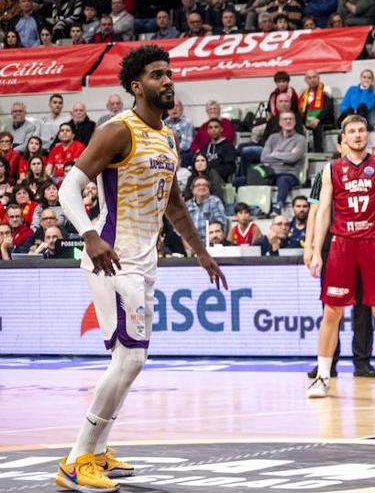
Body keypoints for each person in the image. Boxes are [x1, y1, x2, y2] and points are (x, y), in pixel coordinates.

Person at [55, 46, 226, 490]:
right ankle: (77, 459)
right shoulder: (117, 131)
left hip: (143, 261)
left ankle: (98, 452)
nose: (168, 81)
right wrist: (88, 237)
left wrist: (199, 250)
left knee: (130, 360)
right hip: (111, 258)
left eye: (169, 74)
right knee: (131, 357)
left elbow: (173, 202)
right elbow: (68, 189)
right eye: (157, 75)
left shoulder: (167, 137)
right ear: (136, 86)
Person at [304, 114, 375, 399]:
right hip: (342, 245)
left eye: (362, 130)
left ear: (367, 134)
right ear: (343, 137)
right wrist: (317, 251)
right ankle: (321, 376)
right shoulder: (332, 169)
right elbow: (323, 212)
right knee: (332, 312)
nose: (357, 135)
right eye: (352, 131)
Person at [259, 110, 307, 213]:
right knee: (241, 181)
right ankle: (254, 208)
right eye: (285, 119)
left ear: (294, 122)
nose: (288, 121)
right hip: (271, 173)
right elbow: (263, 158)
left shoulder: (300, 139)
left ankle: (279, 205)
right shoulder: (272, 138)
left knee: (283, 180)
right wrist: (285, 157)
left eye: (290, 119)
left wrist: (274, 154)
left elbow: (293, 158)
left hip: (289, 174)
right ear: (280, 122)